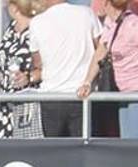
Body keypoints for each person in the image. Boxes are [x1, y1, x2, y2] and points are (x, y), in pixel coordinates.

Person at [84, 0, 138, 138]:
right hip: (125, 91)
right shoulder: (110, 23)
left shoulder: (133, 25)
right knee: (126, 143)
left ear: (107, 4)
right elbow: (101, 51)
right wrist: (87, 82)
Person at [28, 0, 101, 137]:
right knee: (84, 152)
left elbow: (38, 62)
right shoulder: (86, 13)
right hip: (84, 95)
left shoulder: (36, 22)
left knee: (55, 153)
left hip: (52, 96)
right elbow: (101, 49)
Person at [0, 0, 43, 139]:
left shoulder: (38, 28)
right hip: (5, 102)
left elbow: (48, 66)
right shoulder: (10, 29)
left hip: (29, 104)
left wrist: (29, 77)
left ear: (15, 7)